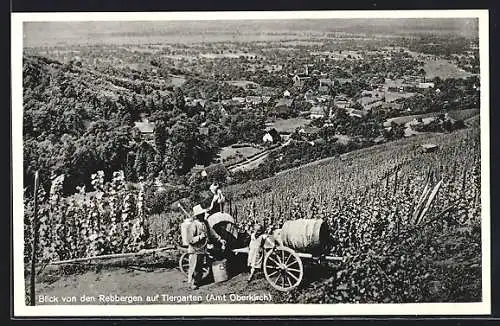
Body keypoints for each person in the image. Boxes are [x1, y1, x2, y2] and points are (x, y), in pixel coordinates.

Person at [186, 204, 226, 290]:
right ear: (197, 216)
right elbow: (190, 240)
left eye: (203, 214)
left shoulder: (205, 223)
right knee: (194, 267)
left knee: (200, 267)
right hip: (195, 250)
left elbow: (212, 233)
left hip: (202, 249)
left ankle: (197, 281)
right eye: (201, 214)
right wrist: (200, 237)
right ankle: (192, 283)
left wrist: (220, 239)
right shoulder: (193, 225)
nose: (204, 215)